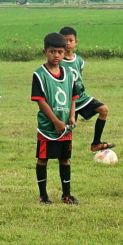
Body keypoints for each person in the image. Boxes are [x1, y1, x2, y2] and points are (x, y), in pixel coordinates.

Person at [32, 33, 82, 205]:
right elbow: (40, 100)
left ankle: (66, 195)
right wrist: (55, 121)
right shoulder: (39, 74)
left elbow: (73, 96)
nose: (57, 55)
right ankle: (43, 195)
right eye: (52, 51)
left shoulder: (69, 73)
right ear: (44, 52)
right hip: (48, 127)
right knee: (43, 159)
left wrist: (72, 115)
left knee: (65, 159)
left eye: (60, 52)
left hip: (65, 126)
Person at [59, 26, 116, 152]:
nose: (67, 43)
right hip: (67, 100)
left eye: (70, 40)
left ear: (76, 42)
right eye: (64, 40)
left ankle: (96, 143)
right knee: (67, 127)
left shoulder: (79, 60)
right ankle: (61, 150)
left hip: (81, 97)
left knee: (103, 110)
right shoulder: (58, 61)